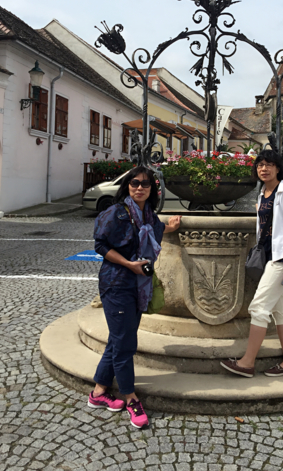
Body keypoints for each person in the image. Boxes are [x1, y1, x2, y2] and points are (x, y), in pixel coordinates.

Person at [88, 166, 181, 428]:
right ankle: (130, 397)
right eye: (134, 183)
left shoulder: (148, 213)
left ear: (152, 189)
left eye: (145, 184)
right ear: (127, 186)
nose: (139, 187)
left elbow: (155, 230)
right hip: (117, 283)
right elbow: (100, 245)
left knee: (119, 339)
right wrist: (129, 265)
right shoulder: (117, 213)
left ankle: (98, 392)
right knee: (125, 344)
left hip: (138, 285)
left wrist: (171, 227)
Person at [220, 150, 283, 379]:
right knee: (281, 310)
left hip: (280, 260)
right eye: (260, 165)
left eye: (268, 165)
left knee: (258, 308)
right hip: (267, 256)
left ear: (278, 168)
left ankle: (247, 363)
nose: (263, 169)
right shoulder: (263, 193)